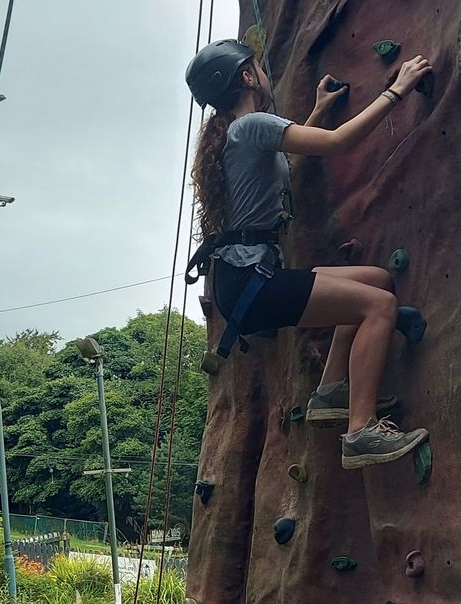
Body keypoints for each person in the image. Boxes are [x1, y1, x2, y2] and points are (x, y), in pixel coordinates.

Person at [186, 39, 434, 469]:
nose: (265, 75)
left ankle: (333, 389)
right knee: (380, 306)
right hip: (252, 282)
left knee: (377, 280)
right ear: (247, 77)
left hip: (245, 278)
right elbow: (337, 142)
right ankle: (361, 431)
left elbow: (287, 167)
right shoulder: (254, 125)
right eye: (259, 68)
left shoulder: (238, 133)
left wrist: (317, 111)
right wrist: (398, 90)